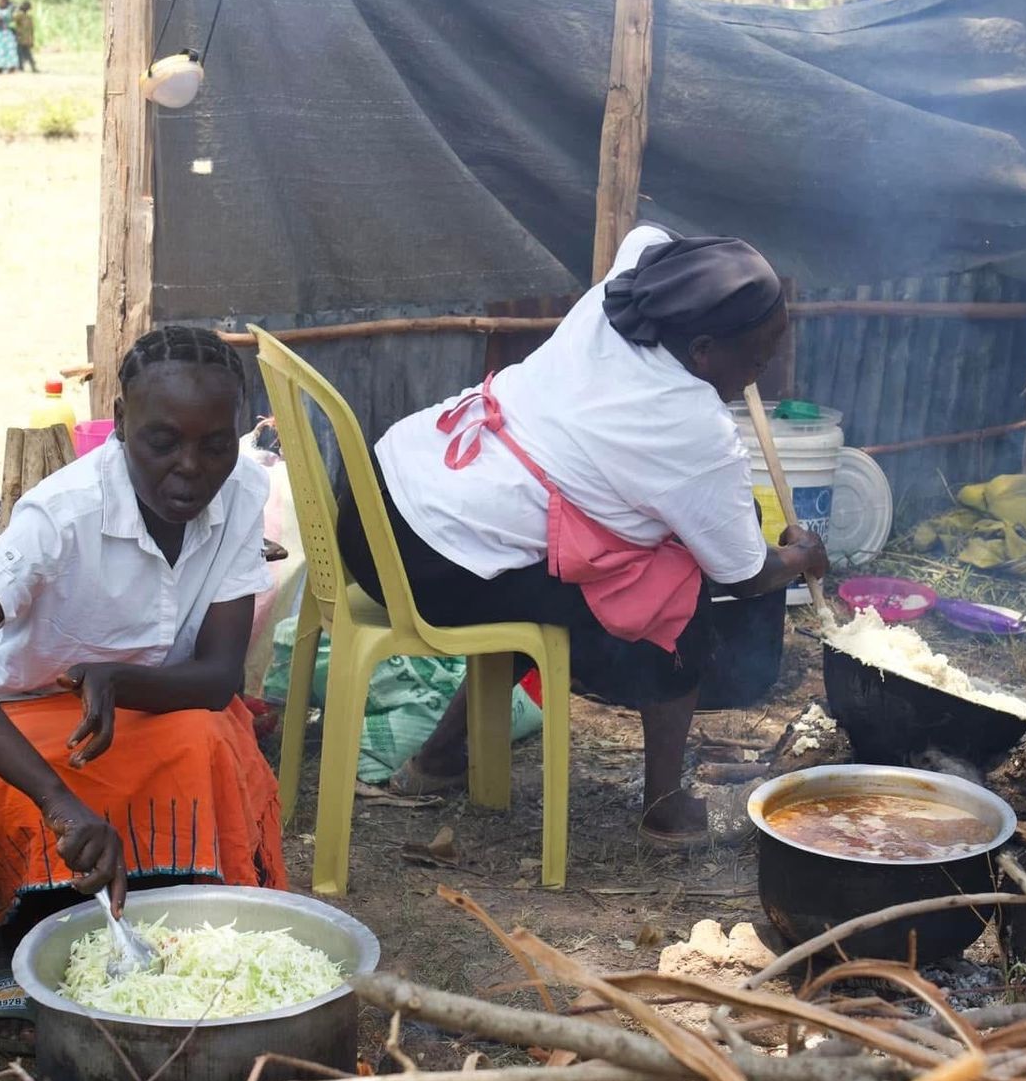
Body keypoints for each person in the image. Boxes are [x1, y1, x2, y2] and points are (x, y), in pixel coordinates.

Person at [340, 225, 827, 848]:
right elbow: (743, 570)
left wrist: (716, 268)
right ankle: (667, 811)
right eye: (757, 357)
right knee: (675, 597)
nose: (764, 373)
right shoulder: (695, 428)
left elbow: (651, 235)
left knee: (536, 570)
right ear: (702, 350)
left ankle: (438, 760)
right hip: (426, 565)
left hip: (374, 498)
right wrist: (802, 555)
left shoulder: (625, 294)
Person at [0, 326, 288, 1054]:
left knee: (208, 741)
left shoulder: (240, 495)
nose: (190, 470)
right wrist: (61, 803)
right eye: (161, 442)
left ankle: (189, 912)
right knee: (22, 790)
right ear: (120, 420)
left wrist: (118, 678)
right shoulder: (63, 514)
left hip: (157, 699)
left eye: (215, 444)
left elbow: (220, 675)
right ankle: (15, 937)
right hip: (18, 707)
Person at [11, 0, 33, 71]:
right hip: (25, 38)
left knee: (21, 53)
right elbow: (32, 30)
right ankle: (30, 66)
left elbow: (12, 18)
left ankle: (21, 66)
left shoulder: (20, 15)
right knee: (27, 54)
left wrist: (16, 9)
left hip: (21, 38)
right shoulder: (28, 17)